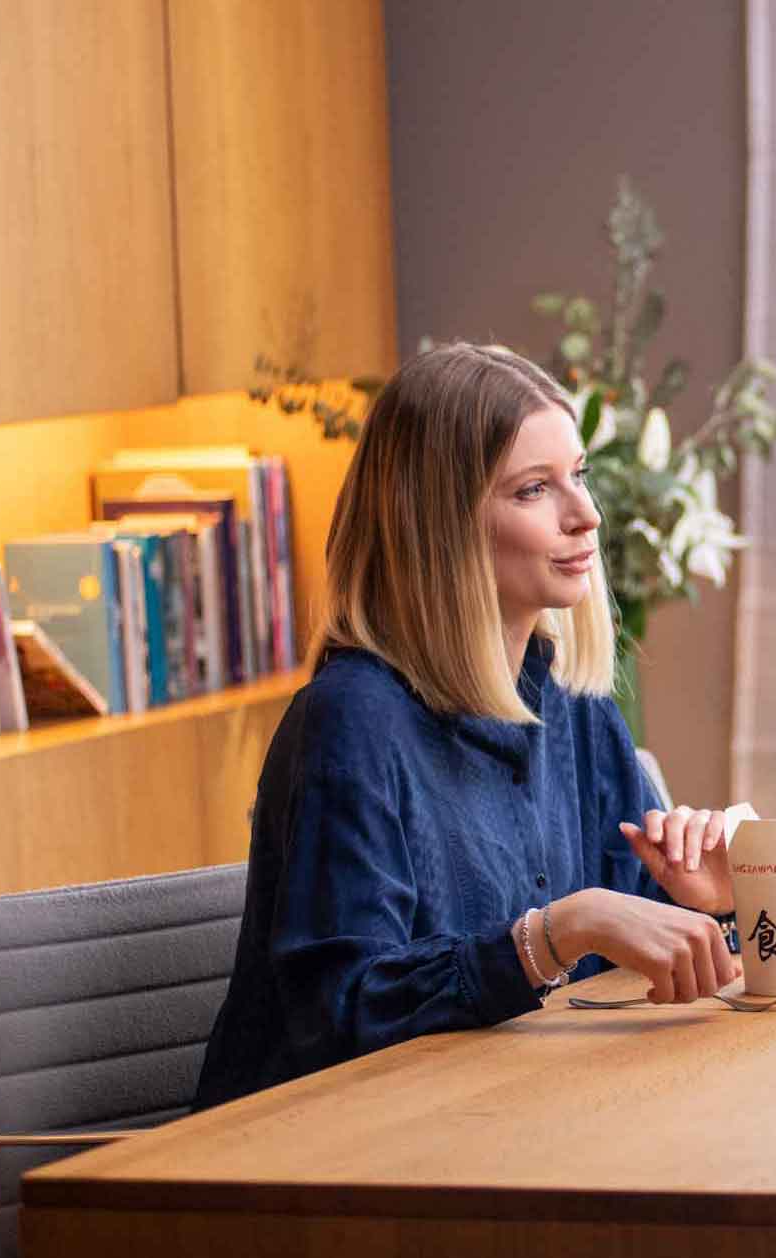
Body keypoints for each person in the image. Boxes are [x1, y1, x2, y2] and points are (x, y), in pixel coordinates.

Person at [195, 344, 745, 1109]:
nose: (586, 513)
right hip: (320, 1174)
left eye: (578, 475)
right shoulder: (351, 722)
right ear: (439, 526)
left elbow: (629, 974)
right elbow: (342, 1015)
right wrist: (559, 932)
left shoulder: (570, 702)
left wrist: (706, 903)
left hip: (511, 1127)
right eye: (533, 489)